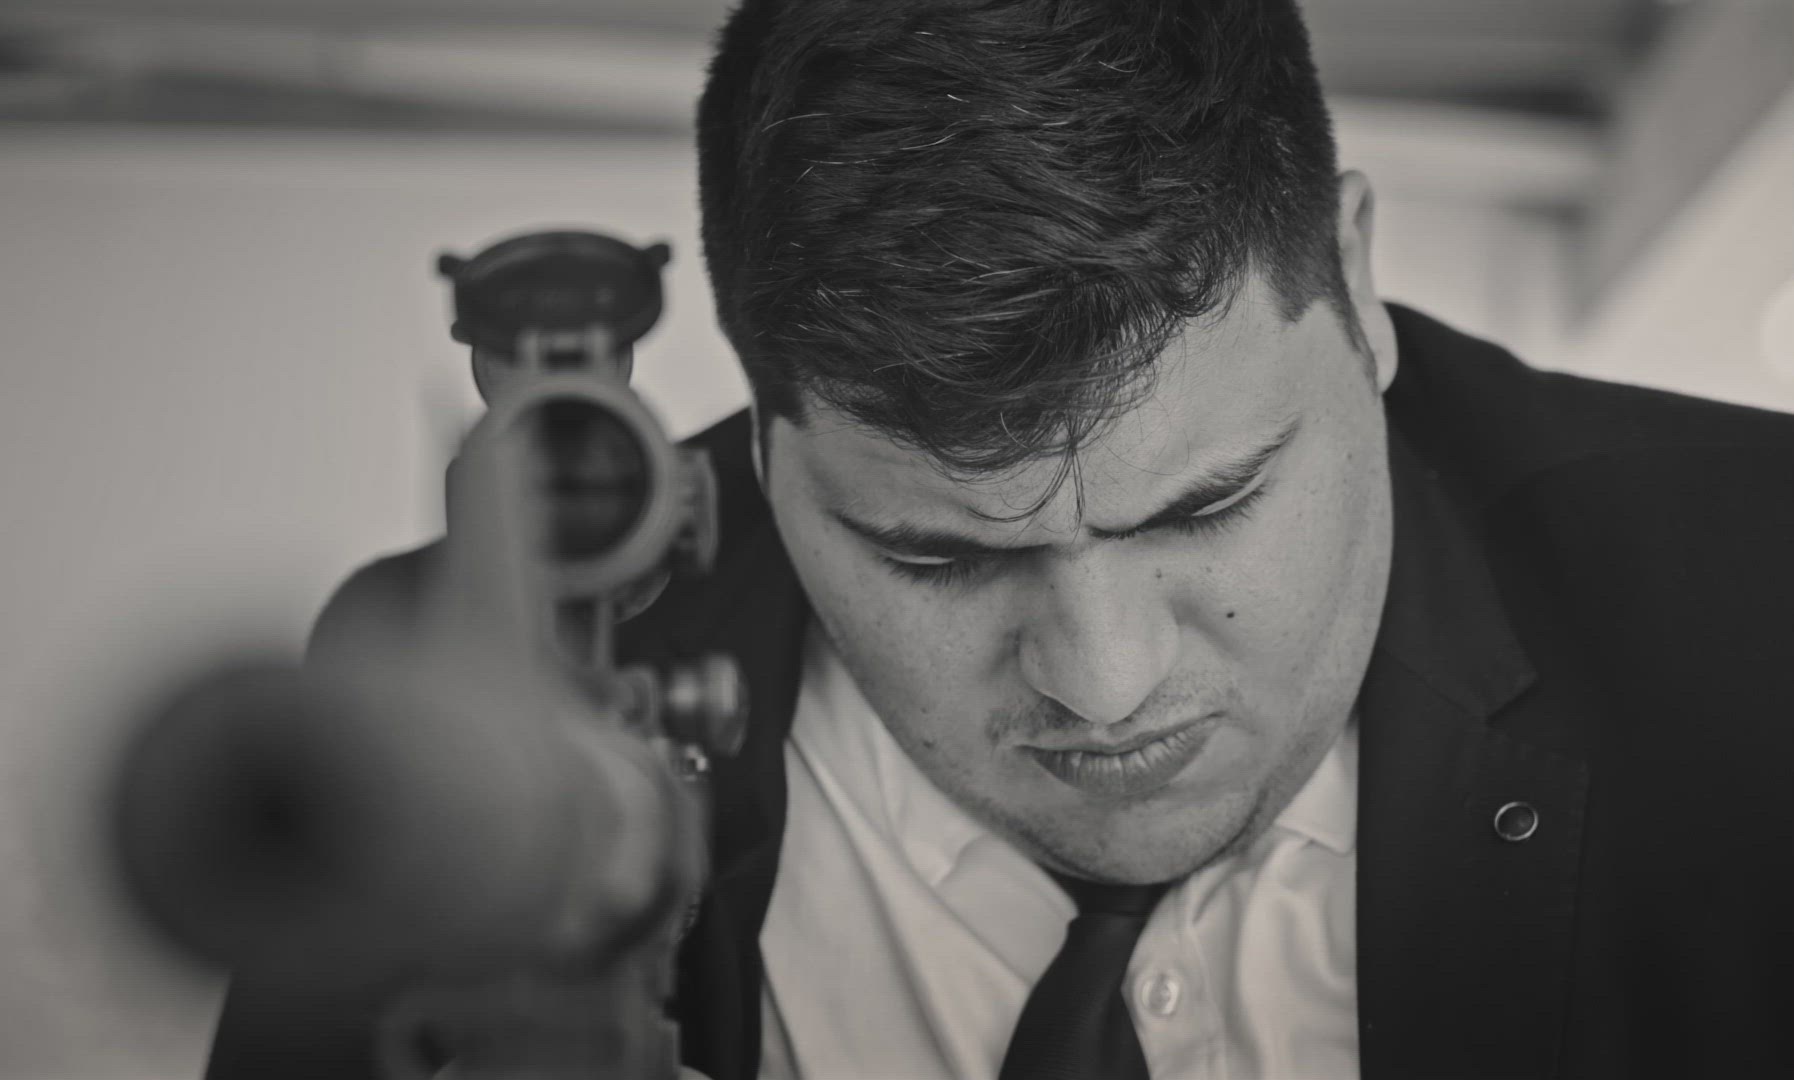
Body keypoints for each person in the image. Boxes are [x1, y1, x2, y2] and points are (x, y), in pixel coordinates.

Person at [207, 1, 1794, 1077]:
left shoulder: (1763, 589)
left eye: (1205, 505)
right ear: (758, 441)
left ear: (1354, 282)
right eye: (936, 557)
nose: (1103, 683)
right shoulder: (448, 693)